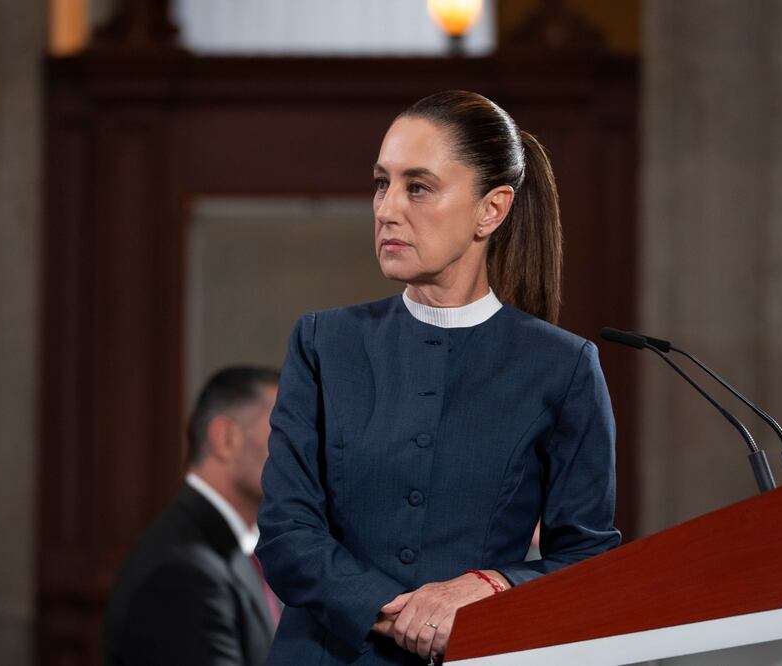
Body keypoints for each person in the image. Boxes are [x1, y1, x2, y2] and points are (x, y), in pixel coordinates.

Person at [257, 90, 620, 666]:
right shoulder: (324, 342)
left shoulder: (563, 366)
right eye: (382, 183)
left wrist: (491, 584)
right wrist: (396, 612)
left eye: (418, 187)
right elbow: (285, 531)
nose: (386, 209)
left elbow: (586, 558)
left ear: (491, 210)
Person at [105, 366, 281, 666]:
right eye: (285, 432)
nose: (304, 453)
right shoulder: (182, 573)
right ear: (226, 438)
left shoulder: (245, 549)